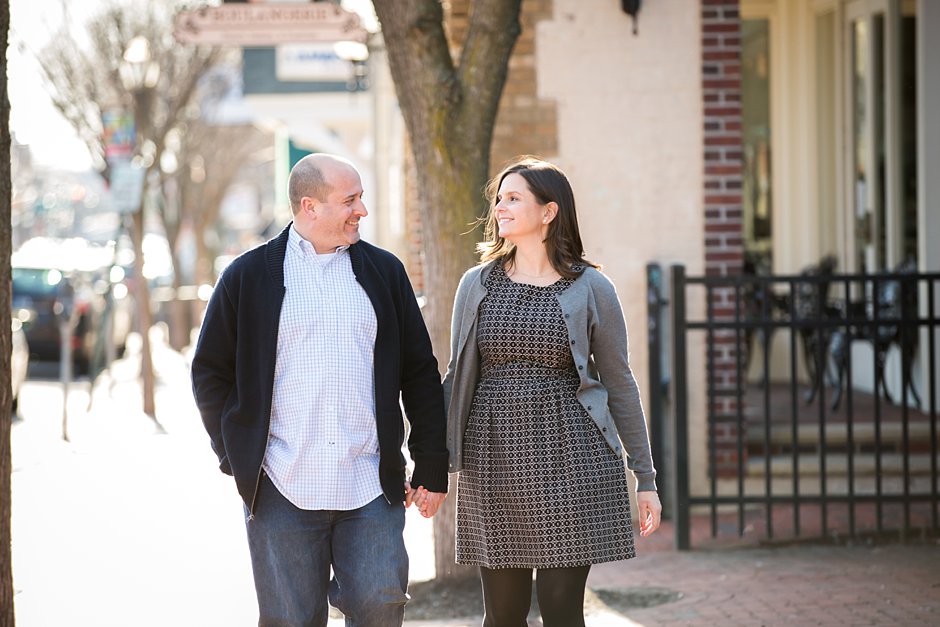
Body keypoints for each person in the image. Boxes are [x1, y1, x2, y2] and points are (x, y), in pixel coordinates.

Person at [191, 153, 448, 627]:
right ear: (309, 206)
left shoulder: (385, 273)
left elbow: (419, 373)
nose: (361, 211)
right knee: (291, 621)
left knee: (379, 608)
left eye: (361, 199)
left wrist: (431, 463)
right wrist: (236, 454)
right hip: (280, 487)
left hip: (371, 485)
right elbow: (209, 372)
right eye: (349, 200)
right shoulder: (247, 277)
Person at [440, 156, 662, 627]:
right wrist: (427, 461)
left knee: (562, 612)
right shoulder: (476, 284)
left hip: (571, 459)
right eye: (499, 198)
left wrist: (645, 478)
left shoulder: (591, 287)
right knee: (502, 616)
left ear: (549, 211)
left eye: (514, 197)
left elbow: (619, 383)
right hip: (493, 460)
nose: (500, 206)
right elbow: (457, 376)